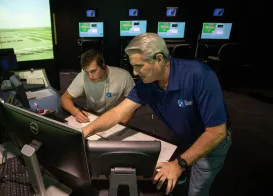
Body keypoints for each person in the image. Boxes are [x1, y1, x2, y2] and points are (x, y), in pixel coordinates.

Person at [82, 33, 232, 196]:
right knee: (174, 182)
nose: (135, 72)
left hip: (211, 142)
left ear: (159, 59)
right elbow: (118, 112)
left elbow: (217, 132)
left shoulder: (200, 75)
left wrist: (179, 164)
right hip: (183, 137)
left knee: (196, 191)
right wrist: (87, 130)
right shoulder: (147, 84)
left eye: (139, 66)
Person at [61, 49, 136, 124]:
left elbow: (134, 102)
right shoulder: (83, 75)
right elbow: (64, 98)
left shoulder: (123, 76)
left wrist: (122, 123)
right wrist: (75, 112)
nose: (90, 76)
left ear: (103, 66)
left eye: (93, 71)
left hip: (116, 117)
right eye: (87, 72)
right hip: (93, 115)